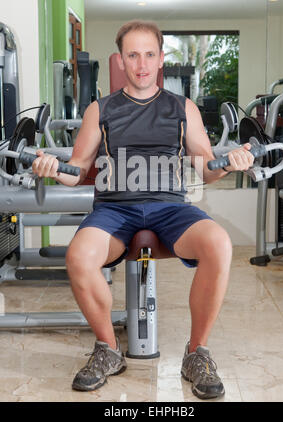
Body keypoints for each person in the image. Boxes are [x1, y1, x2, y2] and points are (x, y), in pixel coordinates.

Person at [32, 20, 253, 400]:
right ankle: (108, 349)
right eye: (132, 55)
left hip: (171, 209)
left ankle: (196, 352)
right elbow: (79, 170)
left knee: (218, 242)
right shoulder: (99, 110)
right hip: (115, 210)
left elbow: (204, 168)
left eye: (149, 54)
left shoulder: (182, 108)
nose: (141, 63)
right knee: (79, 255)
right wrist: (52, 170)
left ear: (161, 58)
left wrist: (229, 162)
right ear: (120, 60)